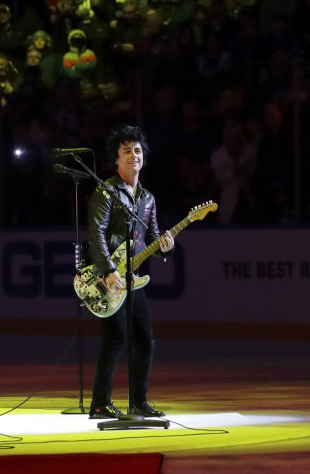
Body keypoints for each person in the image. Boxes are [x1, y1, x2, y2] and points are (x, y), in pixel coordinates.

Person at [87, 125, 174, 419]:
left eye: (137, 151)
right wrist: (108, 270)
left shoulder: (148, 198)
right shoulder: (106, 191)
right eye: (127, 151)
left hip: (133, 279)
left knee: (144, 338)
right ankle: (99, 403)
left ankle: (138, 401)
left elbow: (151, 238)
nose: (133, 155)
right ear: (116, 159)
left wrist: (165, 246)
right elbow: (96, 233)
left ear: (143, 159)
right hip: (109, 277)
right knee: (115, 339)